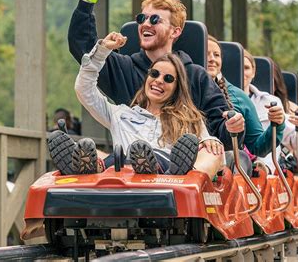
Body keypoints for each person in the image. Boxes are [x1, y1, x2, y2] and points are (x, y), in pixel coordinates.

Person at [66, 0, 244, 152]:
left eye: (155, 20)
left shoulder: (196, 77)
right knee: (103, 157)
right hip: (130, 160)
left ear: (175, 32)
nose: (146, 24)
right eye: (142, 19)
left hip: (179, 166)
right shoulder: (123, 69)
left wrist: (232, 128)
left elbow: (223, 132)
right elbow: (84, 48)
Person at [51, 32, 225, 180]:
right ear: (147, 77)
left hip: (168, 177)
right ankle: (88, 166)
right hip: (124, 172)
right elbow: (85, 89)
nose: (158, 81)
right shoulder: (121, 114)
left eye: (168, 78)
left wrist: (209, 140)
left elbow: (208, 148)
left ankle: (167, 171)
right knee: (111, 156)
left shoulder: (189, 119)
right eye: (154, 74)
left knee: (211, 151)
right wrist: (102, 51)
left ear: (177, 88)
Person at [206, 36, 285, 175]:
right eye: (206, 53)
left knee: (237, 158)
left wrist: (277, 124)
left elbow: (258, 147)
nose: (212, 58)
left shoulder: (239, 97)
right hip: (189, 161)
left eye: (216, 55)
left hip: (225, 169)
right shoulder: (177, 88)